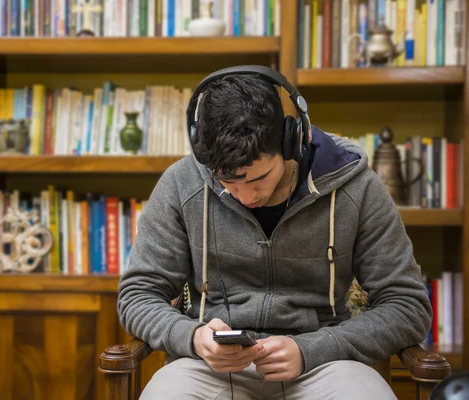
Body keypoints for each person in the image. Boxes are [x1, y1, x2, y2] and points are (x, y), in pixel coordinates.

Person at [117, 65, 432, 400]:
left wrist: (312, 348)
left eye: (257, 178)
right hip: (209, 368)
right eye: (228, 183)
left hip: (326, 361)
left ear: (291, 141)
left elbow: (407, 306)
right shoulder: (182, 185)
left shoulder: (358, 188)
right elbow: (137, 295)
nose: (246, 197)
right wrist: (193, 337)